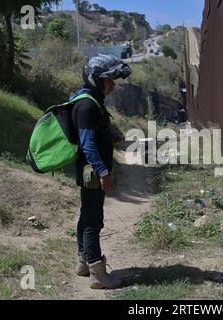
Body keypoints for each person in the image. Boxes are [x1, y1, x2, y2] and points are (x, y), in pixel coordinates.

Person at [71, 54, 131, 289]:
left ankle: (84, 262)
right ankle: (97, 273)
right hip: (92, 172)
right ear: (96, 79)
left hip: (90, 170)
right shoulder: (86, 105)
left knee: (87, 215)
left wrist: (110, 136)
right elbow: (87, 145)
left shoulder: (91, 101)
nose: (113, 84)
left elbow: (93, 134)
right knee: (93, 220)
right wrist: (104, 173)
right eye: (109, 80)